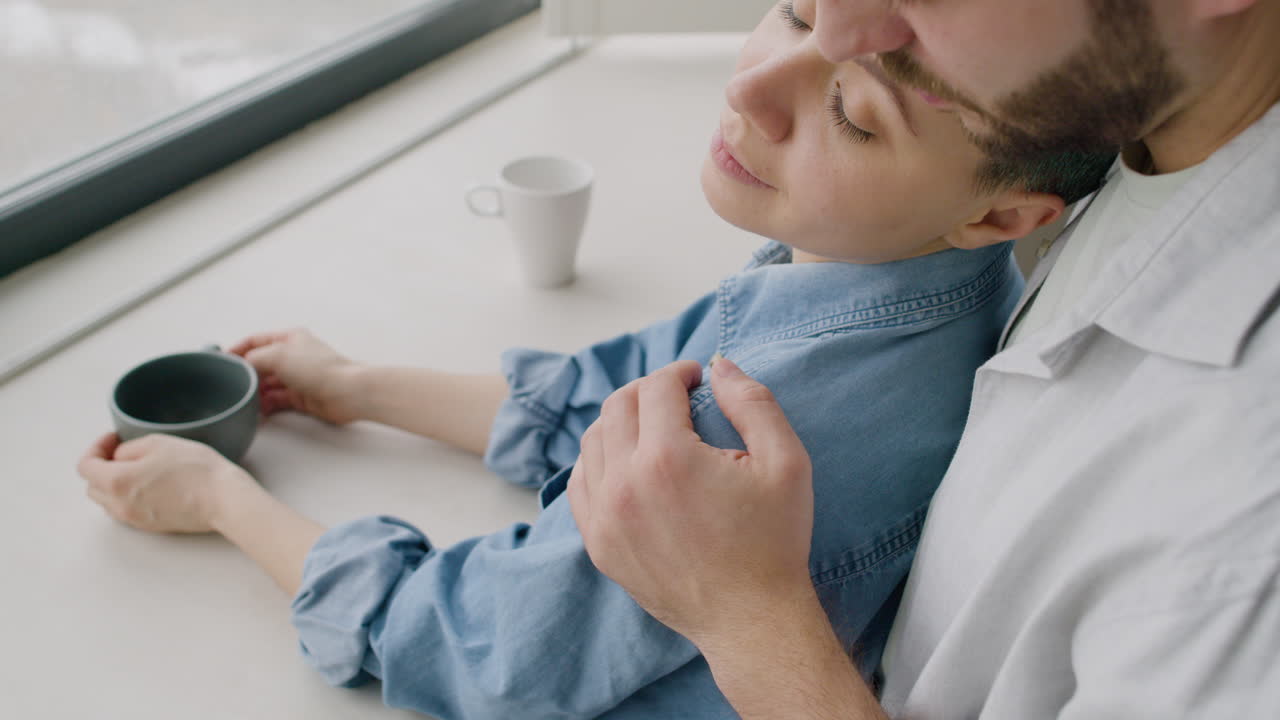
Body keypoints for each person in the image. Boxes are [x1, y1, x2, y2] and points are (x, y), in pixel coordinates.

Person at [75, 3, 1115, 718]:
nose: (752, 86)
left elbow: (465, 644)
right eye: (797, 13)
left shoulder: (782, 431)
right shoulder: (900, 277)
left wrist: (219, 500)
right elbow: (612, 398)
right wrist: (358, 389)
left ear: (998, 212)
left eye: (852, 114)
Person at [568, 0, 1280, 718]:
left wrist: (748, 618)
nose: (842, 28)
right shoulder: (1130, 124)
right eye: (797, 10)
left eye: (855, 117)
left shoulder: (1244, 533)